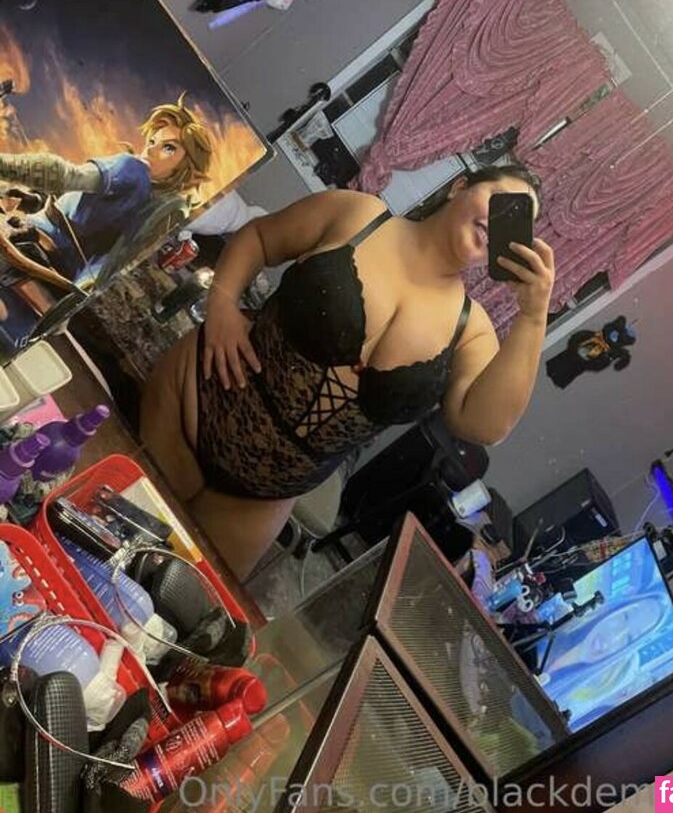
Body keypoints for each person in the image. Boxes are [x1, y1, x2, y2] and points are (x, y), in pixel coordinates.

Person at [140, 165, 555, 580]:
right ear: (459, 186)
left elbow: (483, 427)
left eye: (515, 221)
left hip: (262, 497)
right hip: (194, 402)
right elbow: (261, 238)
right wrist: (222, 301)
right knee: (114, 522)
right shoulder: (358, 215)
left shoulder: (471, 330)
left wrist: (533, 316)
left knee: (173, 603)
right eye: (501, 201)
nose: (499, 222)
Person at [0, 94, 213, 283]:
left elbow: (68, 176)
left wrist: (6, 166)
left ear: (186, 166)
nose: (150, 150)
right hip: (54, 259)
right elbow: (85, 210)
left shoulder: (133, 169)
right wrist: (35, 200)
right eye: (152, 141)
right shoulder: (144, 198)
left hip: (35, 243)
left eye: (168, 148)